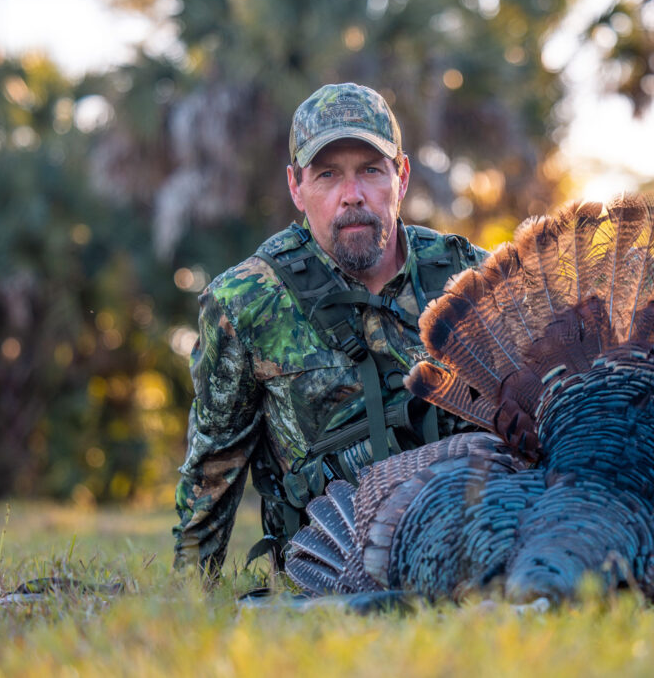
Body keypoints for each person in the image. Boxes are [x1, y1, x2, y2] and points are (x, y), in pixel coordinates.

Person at [172, 83, 487, 577]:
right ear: (296, 186)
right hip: (328, 567)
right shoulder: (247, 300)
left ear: (400, 177)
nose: (352, 196)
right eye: (327, 175)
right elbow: (213, 464)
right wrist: (188, 597)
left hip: (478, 549)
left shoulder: (471, 278)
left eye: (370, 170)